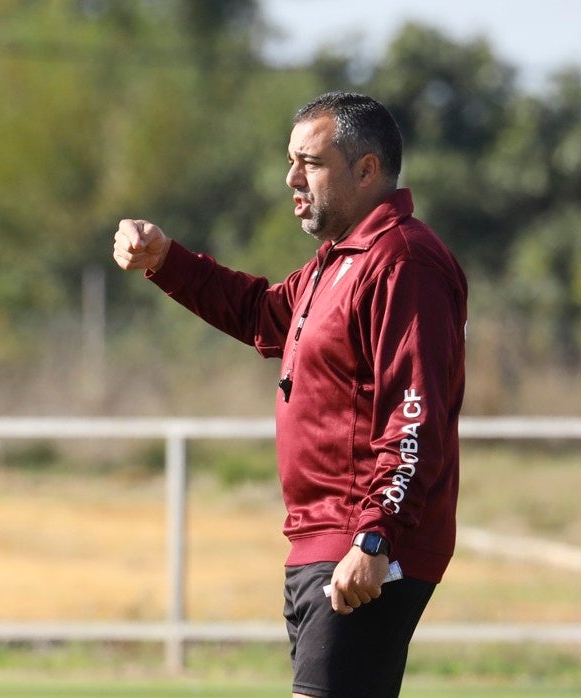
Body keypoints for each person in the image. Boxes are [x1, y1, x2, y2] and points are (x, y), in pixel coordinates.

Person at [112, 91, 467, 697]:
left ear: (366, 169)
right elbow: (264, 313)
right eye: (290, 160)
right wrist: (167, 260)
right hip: (321, 538)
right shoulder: (341, 259)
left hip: (361, 540)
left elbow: (415, 417)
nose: (291, 178)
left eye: (311, 162)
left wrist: (376, 536)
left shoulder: (403, 261)